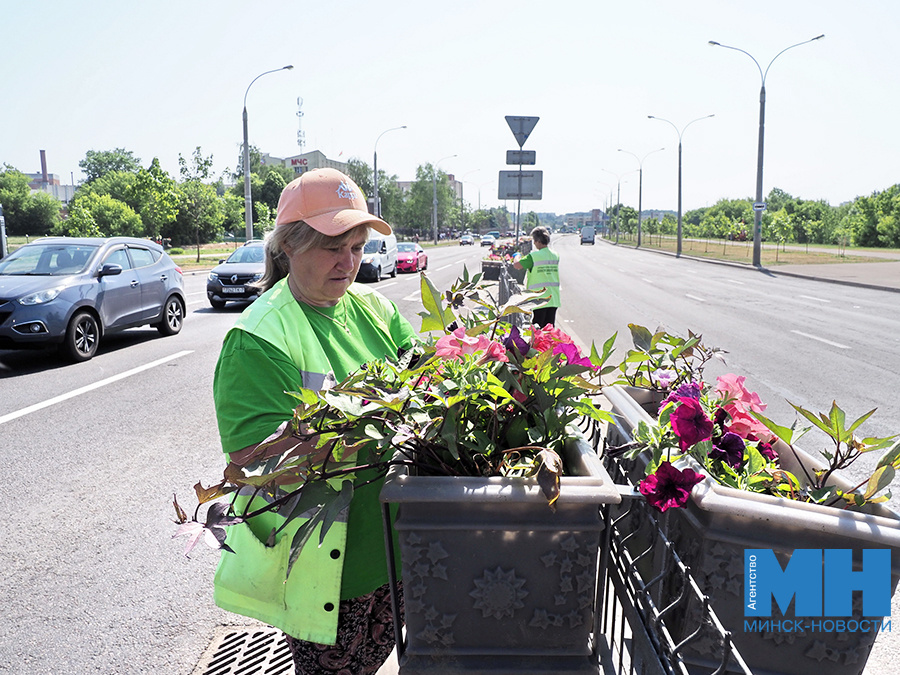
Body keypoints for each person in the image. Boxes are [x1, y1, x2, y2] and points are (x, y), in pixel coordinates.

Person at [211, 168, 417, 673]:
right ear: (289, 247)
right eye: (331, 247)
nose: (348, 263)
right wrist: (367, 415)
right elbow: (255, 461)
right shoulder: (260, 336)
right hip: (328, 566)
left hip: (392, 549)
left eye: (358, 246)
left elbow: (423, 373)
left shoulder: (374, 307)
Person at [513, 225, 561, 327]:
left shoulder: (533, 257)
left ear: (538, 241)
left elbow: (517, 265)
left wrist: (516, 256)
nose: (534, 243)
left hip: (539, 299)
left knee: (537, 331)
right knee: (549, 330)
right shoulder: (555, 255)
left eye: (534, 241)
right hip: (553, 298)